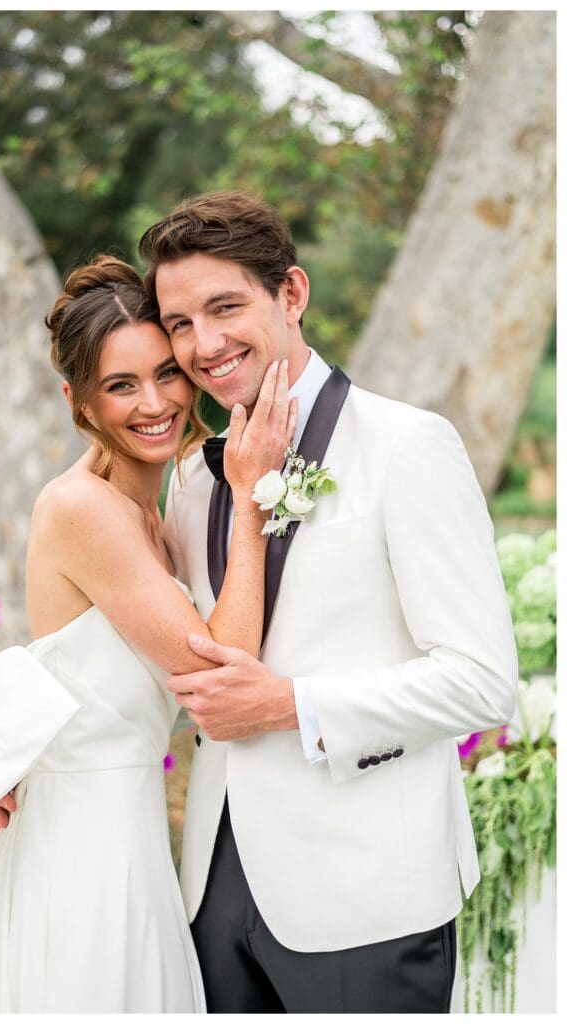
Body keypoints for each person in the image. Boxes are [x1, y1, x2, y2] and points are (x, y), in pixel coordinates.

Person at [133, 190, 519, 1013]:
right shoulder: (196, 479)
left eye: (225, 306)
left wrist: (286, 704)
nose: (204, 344)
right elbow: (156, 648)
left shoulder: (407, 447)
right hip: (212, 886)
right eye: (179, 323)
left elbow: (483, 680)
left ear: (293, 294)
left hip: (367, 893)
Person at [0, 255, 297, 1012]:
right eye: (120, 385)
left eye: (165, 374)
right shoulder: (85, 511)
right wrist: (251, 500)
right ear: (76, 399)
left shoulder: (158, 510)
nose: (155, 402)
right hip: (80, 862)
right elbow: (223, 668)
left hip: (134, 842)